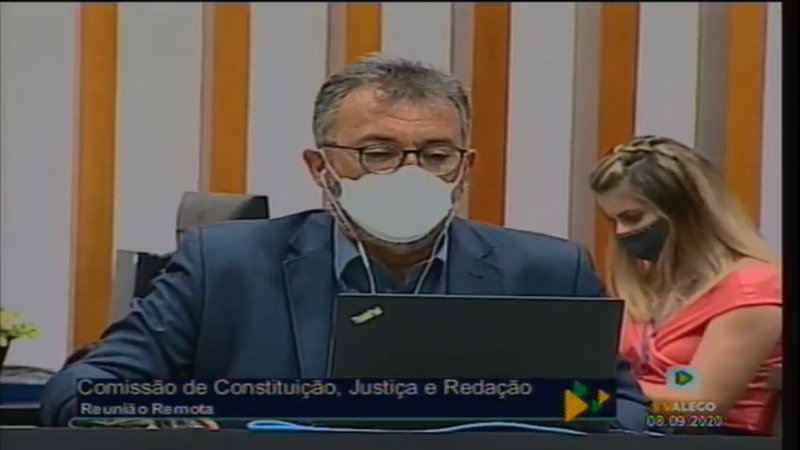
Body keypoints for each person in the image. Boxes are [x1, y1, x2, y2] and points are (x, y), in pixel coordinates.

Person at [41, 54, 649, 430]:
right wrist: (150, 419)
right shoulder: (225, 265)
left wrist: (554, 415)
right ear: (320, 166)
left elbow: (622, 410)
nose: (409, 175)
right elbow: (85, 387)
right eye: (377, 153)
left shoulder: (546, 271)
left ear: (465, 167)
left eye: (436, 155)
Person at [590, 136, 782, 435]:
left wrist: (594, 396)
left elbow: (702, 411)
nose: (621, 233)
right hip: (634, 431)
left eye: (632, 217)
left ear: (686, 212)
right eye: (613, 221)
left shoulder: (754, 289)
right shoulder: (650, 287)